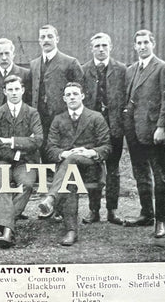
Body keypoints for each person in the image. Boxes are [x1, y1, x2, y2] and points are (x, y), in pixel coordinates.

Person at [38, 82, 111, 245]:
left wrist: (89, 152)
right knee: (70, 176)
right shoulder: (58, 120)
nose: (72, 97)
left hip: (90, 167)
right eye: (68, 95)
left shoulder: (96, 117)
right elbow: (50, 148)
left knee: (71, 164)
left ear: (82, 96)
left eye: (75, 94)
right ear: (64, 98)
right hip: (67, 171)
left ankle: (51, 199)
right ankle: (71, 231)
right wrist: (64, 153)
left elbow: (106, 146)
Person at [122, 29, 165, 238]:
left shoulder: (163, 68)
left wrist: (161, 127)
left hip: (153, 132)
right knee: (140, 174)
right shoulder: (131, 69)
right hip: (133, 131)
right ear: (134, 46)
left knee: (160, 177)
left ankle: (160, 221)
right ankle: (147, 214)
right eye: (139, 43)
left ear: (153, 44)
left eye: (146, 42)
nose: (142, 46)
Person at [0, 75, 43, 248]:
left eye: (17, 89)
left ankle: (2, 226)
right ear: (4, 92)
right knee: (0, 184)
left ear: (23, 90)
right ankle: (8, 231)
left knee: (26, 184)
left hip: (26, 163)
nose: (13, 93)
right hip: (1, 161)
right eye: (10, 90)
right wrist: (21, 148)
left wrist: (9, 140)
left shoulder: (32, 113)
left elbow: (38, 140)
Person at [81, 33, 127, 225]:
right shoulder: (84, 70)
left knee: (113, 169)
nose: (101, 49)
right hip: (92, 128)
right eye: (97, 46)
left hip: (114, 126)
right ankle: (94, 210)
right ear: (91, 49)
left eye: (104, 45)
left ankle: (112, 210)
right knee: (93, 167)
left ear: (111, 47)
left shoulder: (122, 69)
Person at [29, 24, 83, 159]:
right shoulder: (34, 64)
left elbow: (80, 91)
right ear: (39, 41)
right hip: (40, 117)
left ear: (57, 39)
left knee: (61, 152)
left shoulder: (70, 62)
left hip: (61, 118)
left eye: (50, 36)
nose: (46, 40)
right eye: (43, 37)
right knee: (43, 150)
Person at [0, 38, 30, 126]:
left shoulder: (25, 74)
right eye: (0, 54)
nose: (4, 57)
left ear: (13, 54)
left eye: (7, 53)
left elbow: (29, 102)